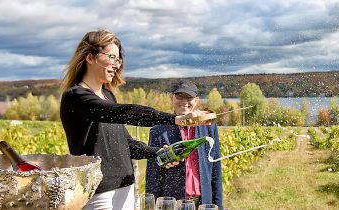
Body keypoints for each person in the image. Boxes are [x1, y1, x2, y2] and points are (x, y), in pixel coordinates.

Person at [60, 29, 207, 210]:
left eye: (118, 59)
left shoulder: (107, 95)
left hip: (127, 189)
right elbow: (124, 113)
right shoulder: (76, 97)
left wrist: (158, 153)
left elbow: (126, 144)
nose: (116, 65)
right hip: (98, 194)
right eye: (111, 57)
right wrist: (175, 119)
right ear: (90, 57)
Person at [146, 80, 223, 210]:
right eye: (179, 96)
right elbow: (153, 175)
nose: (184, 102)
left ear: (196, 100)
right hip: (171, 203)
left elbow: (216, 169)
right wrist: (150, 205)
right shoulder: (158, 131)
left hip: (203, 203)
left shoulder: (208, 127)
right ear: (172, 97)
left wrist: (218, 206)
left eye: (189, 97)